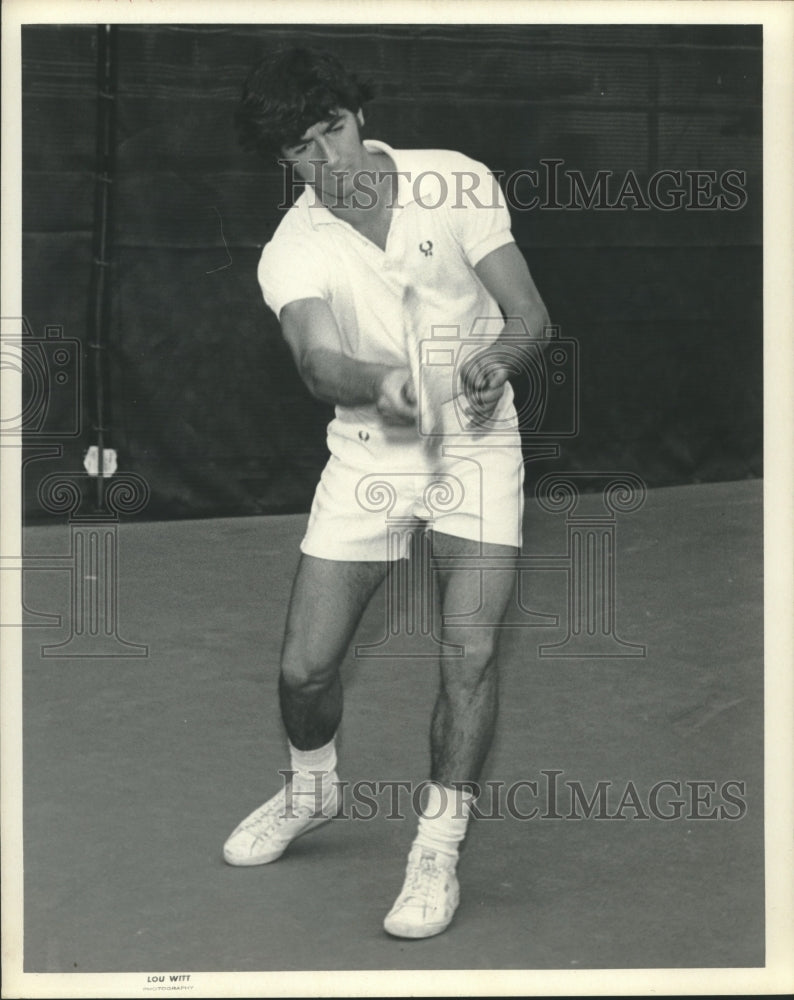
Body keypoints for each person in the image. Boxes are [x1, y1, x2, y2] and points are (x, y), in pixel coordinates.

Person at [224, 46, 550, 939]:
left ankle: (437, 848)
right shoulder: (292, 247)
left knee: (470, 653)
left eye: (332, 130)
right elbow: (317, 361)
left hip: (480, 445)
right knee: (305, 668)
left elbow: (530, 319)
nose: (327, 161)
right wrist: (381, 383)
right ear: (281, 160)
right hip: (371, 452)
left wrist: (494, 365)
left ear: (356, 116)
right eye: (301, 148)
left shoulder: (455, 181)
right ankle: (312, 790)